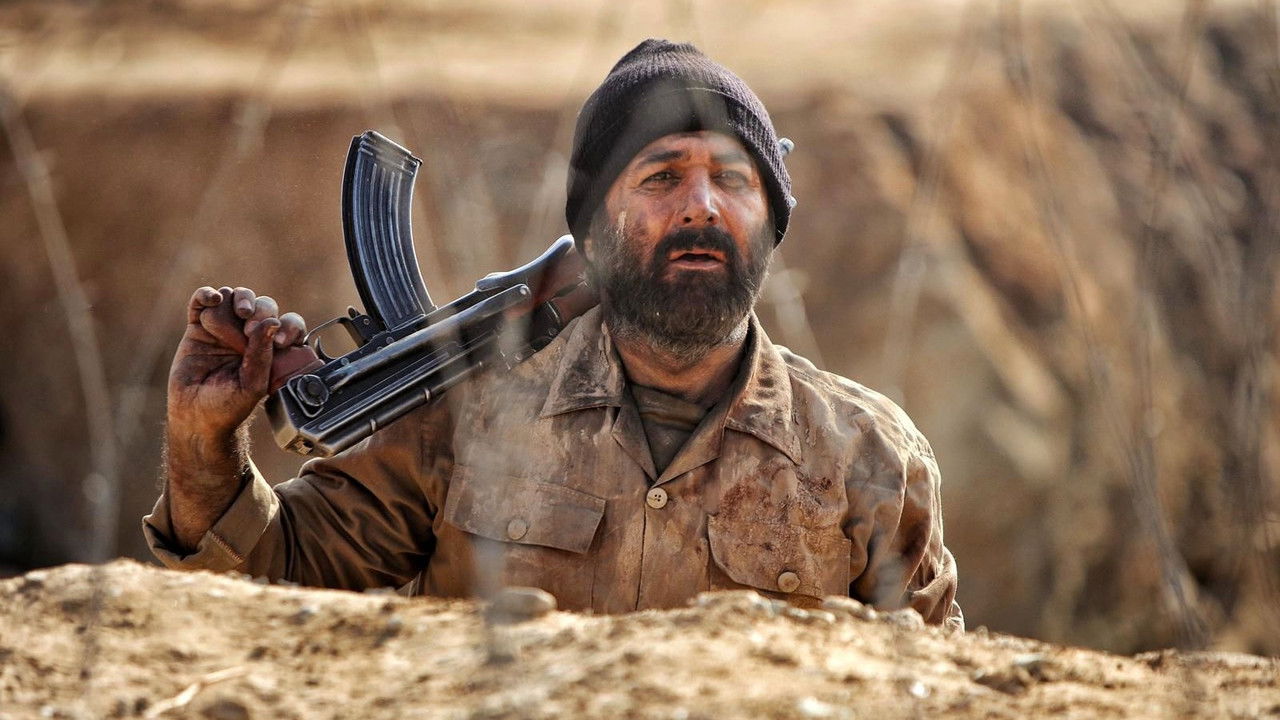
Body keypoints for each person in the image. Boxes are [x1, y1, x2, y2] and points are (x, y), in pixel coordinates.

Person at [144, 39, 962, 628]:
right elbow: (262, 587)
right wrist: (203, 440)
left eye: (734, 180)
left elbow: (942, 686)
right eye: (663, 175)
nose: (703, 206)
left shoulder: (867, 457)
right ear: (593, 226)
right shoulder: (463, 420)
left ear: (771, 222)